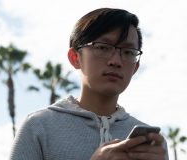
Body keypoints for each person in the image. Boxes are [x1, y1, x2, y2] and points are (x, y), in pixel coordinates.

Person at [9, 8, 169, 160]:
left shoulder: (150, 143)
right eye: (102, 47)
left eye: (128, 52)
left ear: (135, 67)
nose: (116, 61)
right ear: (75, 57)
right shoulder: (38, 126)